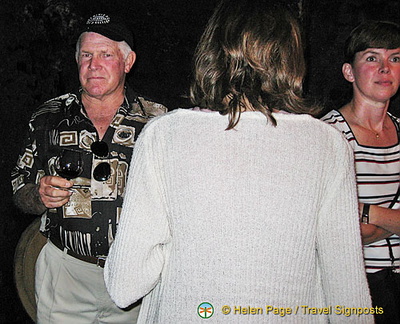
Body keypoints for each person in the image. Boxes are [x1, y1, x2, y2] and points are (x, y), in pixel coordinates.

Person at [104, 1, 373, 323]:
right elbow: (347, 290)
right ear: (290, 57)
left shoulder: (165, 135)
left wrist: (183, 238)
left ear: (211, 51)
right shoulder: (327, 144)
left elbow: (124, 284)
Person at [11, 12, 167, 323]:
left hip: (135, 277)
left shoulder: (158, 121)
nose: (94, 65)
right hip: (65, 275)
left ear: (128, 61)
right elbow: (19, 189)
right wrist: (39, 196)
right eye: (86, 55)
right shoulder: (48, 116)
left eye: (106, 54)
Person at [322, 20, 400, 323]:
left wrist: (366, 211)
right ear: (348, 72)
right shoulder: (328, 135)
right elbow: (336, 234)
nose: (385, 68)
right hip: (355, 291)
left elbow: (360, 227)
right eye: (372, 58)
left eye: (394, 58)